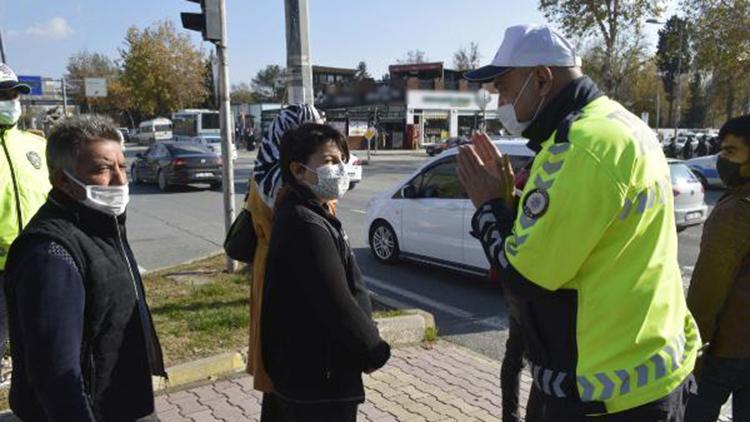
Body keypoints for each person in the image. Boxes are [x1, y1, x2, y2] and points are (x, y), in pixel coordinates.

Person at [459, 24, 698, 421]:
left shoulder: (582, 147)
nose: (499, 102)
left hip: (609, 393)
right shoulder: (619, 124)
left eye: (502, 88)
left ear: (540, 79)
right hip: (650, 369)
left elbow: (524, 275)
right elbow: (587, 235)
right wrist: (512, 204)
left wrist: (488, 207)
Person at [3, 115, 166, 421]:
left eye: (122, 166)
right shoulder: (50, 253)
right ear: (62, 180)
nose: (120, 179)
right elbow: (56, 375)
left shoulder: (103, 226)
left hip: (125, 401)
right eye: (102, 169)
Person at [261, 123, 390, 422]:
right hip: (316, 382)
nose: (340, 169)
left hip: (310, 377)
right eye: (330, 161)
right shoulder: (305, 223)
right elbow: (337, 302)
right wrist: (373, 350)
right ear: (298, 170)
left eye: (342, 160)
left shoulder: (310, 212)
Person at [245, 104, 325, 421]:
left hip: (271, 274)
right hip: (292, 277)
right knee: (292, 367)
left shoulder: (264, 170)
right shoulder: (291, 183)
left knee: (278, 376)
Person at [685, 115, 750, 422]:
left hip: (726, 351)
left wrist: (692, 350)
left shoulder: (735, 212)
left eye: (731, 152)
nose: (722, 160)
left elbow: (707, 292)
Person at [0, 62, 52, 376]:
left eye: (15, 94)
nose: (10, 101)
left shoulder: (37, 145)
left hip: (40, 263)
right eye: (2, 94)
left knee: (42, 344)